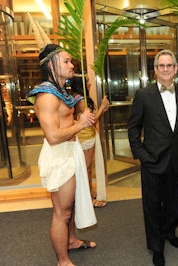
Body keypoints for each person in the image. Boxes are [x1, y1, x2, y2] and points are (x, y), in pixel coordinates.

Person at [27, 44, 97, 266]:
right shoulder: (47, 95)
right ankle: (63, 260)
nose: (71, 65)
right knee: (62, 212)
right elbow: (53, 137)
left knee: (71, 205)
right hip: (59, 156)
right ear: (51, 64)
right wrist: (81, 123)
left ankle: (71, 240)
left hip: (70, 151)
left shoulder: (60, 91)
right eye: (66, 61)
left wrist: (78, 123)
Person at [128, 49, 178, 266]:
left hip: (175, 159)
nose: (166, 69)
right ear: (155, 70)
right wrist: (142, 155)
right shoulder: (143, 95)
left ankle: (169, 233)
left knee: (174, 201)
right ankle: (156, 246)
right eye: (161, 65)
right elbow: (133, 128)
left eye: (169, 65)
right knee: (153, 205)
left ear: (175, 69)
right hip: (152, 161)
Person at [71, 75, 110, 208]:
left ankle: (90, 191)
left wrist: (102, 109)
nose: (89, 83)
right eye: (87, 81)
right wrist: (102, 108)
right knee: (86, 168)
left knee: (87, 168)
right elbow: (90, 121)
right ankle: (88, 197)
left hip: (88, 135)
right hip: (85, 137)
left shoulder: (79, 98)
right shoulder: (80, 100)